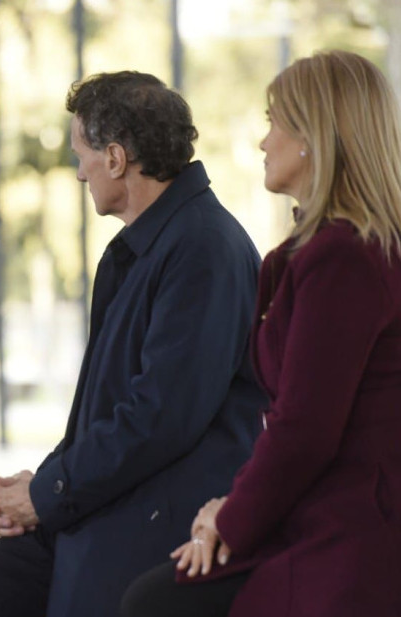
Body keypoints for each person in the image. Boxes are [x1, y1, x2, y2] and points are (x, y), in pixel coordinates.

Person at [0, 72, 266, 617]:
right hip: (97, 510)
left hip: (151, 526)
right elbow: (105, 410)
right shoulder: (146, 247)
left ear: (116, 158)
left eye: (83, 155)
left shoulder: (204, 248)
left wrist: (46, 494)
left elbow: (159, 418)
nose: (79, 173)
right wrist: (43, 485)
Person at [122, 50, 401, 617]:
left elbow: (305, 426)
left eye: (274, 121)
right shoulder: (340, 250)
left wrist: (230, 515)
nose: (263, 141)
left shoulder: (343, 257)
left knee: (153, 604)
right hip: (318, 513)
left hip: (349, 534)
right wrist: (231, 506)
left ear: (312, 138)